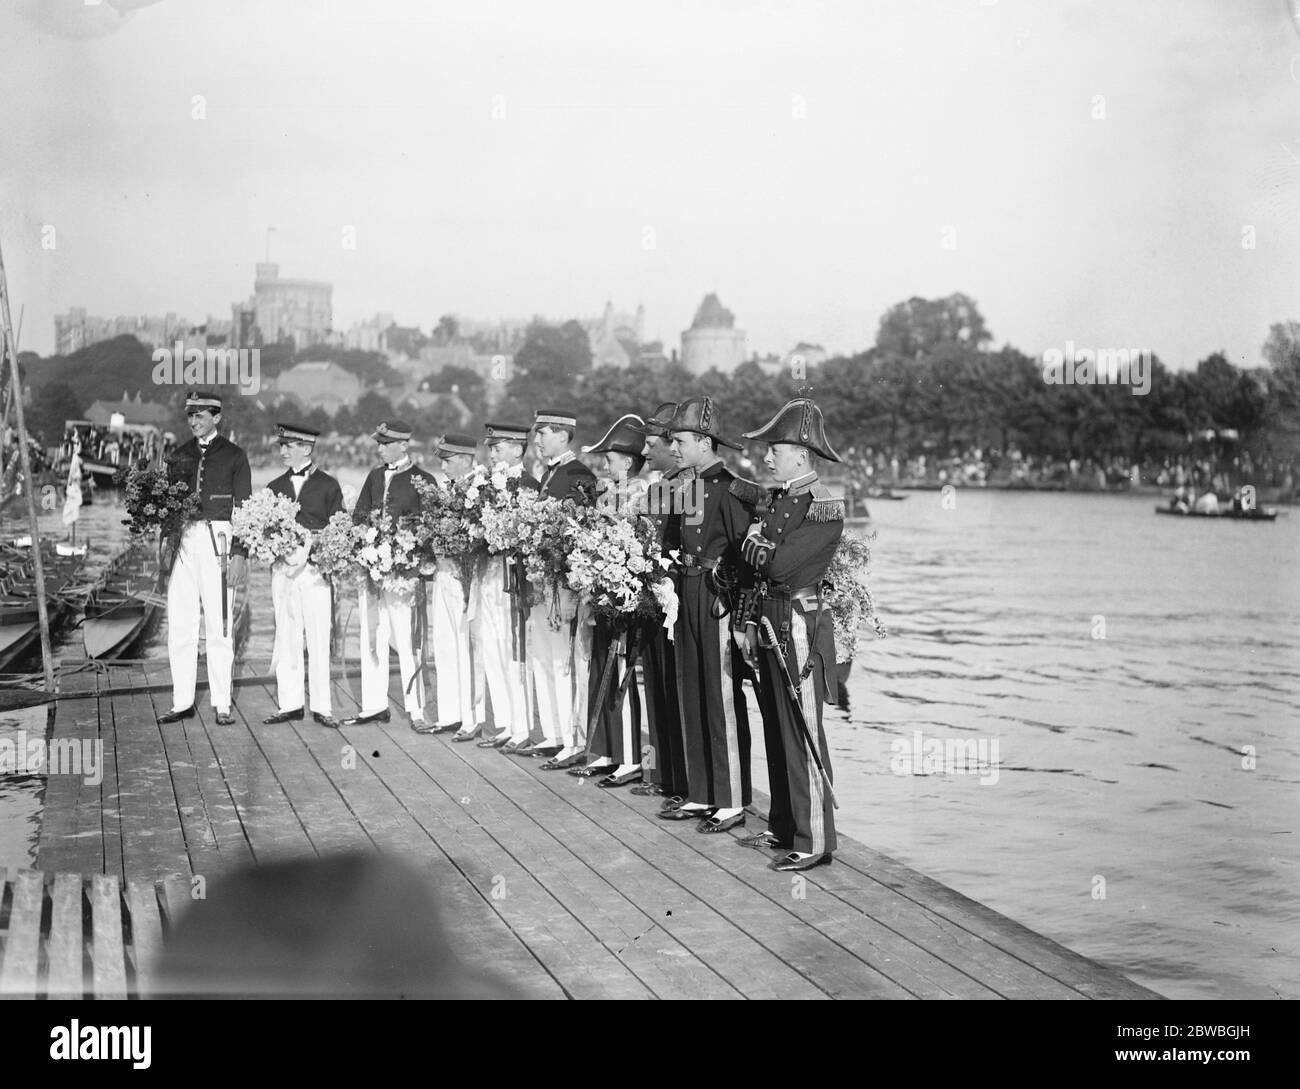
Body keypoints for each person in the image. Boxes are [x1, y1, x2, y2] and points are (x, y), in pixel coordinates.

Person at [733, 397, 844, 871]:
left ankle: (814, 839)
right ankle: (784, 825)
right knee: (777, 728)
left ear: (800, 453)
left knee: (802, 731)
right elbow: (759, 563)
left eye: (775, 449)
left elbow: (775, 564)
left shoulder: (823, 506)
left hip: (798, 623)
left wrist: (753, 543)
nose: (767, 457)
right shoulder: (781, 500)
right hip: (770, 618)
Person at [656, 396, 757, 834]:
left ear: (702, 441)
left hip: (716, 596)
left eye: (679, 441)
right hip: (686, 591)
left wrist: (739, 616)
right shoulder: (684, 486)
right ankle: (702, 793)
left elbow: (744, 556)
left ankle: (730, 799)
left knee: (720, 697)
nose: (673, 448)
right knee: (691, 691)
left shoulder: (733, 489)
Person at [158, 391, 251, 726]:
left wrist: (240, 552)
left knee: (220, 621)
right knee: (181, 622)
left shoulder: (235, 456)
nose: (193, 421)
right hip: (183, 538)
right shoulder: (177, 455)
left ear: (217, 417)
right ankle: (182, 700)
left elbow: (245, 510)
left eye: (200, 415)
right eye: (190, 416)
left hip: (220, 538)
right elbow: (166, 506)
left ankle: (221, 702)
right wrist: (166, 551)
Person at [568, 414, 649, 787]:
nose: (604, 464)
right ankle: (604, 751)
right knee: (600, 665)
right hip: (601, 591)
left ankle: (630, 758)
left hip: (625, 595)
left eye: (610, 458)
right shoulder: (606, 492)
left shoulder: (643, 494)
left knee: (621, 674)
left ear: (628, 462)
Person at [513, 410, 596, 769]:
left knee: (565, 660)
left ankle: (574, 738)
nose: (537, 439)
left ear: (563, 436)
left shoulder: (579, 475)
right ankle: (553, 732)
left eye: (544, 433)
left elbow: (583, 529)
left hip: (563, 580)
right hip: (542, 579)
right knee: (543, 656)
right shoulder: (548, 473)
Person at [343, 420, 437, 730]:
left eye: (385, 443)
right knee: (373, 634)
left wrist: (414, 562)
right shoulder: (373, 476)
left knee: (408, 639)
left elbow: (430, 529)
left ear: (403, 445)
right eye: (379, 443)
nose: (379, 448)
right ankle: (374, 705)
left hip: (403, 573)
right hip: (372, 570)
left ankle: (417, 709)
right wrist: (362, 546)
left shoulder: (423, 479)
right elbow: (359, 516)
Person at [262, 423, 346, 730]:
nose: (282, 451)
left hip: (314, 571)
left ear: (307, 449)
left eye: (289, 446)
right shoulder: (273, 486)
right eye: (281, 446)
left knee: (319, 636)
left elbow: (340, 530)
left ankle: (322, 706)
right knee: (287, 634)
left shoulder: (329, 485)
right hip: (283, 572)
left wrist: (318, 549)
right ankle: (290, 703)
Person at [627, 402, 691, 804]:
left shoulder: (688, 488)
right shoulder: (659, 488)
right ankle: (665, 775)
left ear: (673, 445)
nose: (645, 453)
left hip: (677, 604)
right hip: (652, 599)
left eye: (652, 445)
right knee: (656, 688)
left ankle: (684, 781)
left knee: (675, 691)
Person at [474, 423, 541, 753]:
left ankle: (522, 726)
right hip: (488, 573)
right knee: (493, 648)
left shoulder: (529, 485)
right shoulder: (483, 485)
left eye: (497, 448)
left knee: (515, 650)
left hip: (514, 579)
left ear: (517, 449)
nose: (491, 454)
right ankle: (505, 722)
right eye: (490, 449)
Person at [425, 433, 481, 739]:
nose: (443, 467)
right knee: (444, 644)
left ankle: (470, 718)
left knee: (465, 646)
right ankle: (449, 714)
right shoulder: (445, 490)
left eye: (447, 461)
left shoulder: (480, 489)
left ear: (463, 459)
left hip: (466, 574)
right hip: (443, 572)